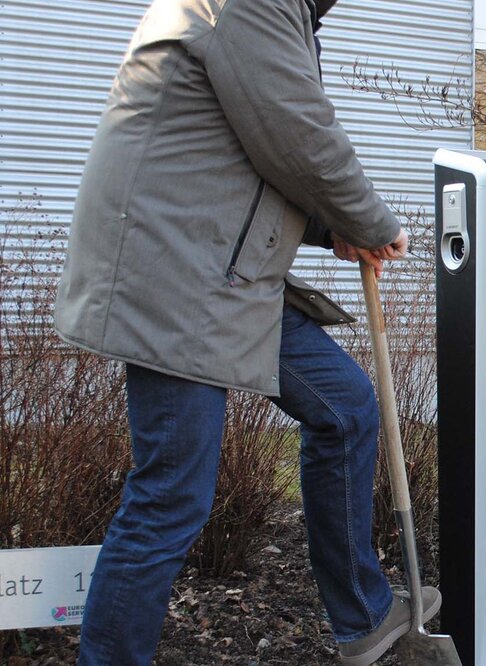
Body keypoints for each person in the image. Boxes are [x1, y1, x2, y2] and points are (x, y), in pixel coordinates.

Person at [53, 0, 440, 664]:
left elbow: (253, 152)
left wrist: (330, 228)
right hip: (175, 275)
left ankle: (364, 617)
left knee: (343, 409)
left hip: (226, 277)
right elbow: (296, 135)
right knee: (171, 494)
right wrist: (369, 220)